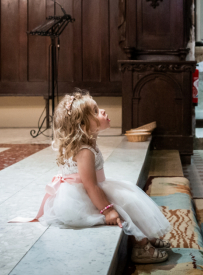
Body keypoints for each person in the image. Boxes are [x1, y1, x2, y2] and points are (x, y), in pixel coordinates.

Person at [37, 90, 171, 264]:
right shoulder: (85, 151)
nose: (103, 112)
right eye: (95, 112)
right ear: (83, 126)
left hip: (89, 191)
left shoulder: (87, 145)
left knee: (129, 201)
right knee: (125, 208)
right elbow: (90, 186)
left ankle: (146, 236)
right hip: (82, 198)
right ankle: (140, 247)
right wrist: (108, 211)